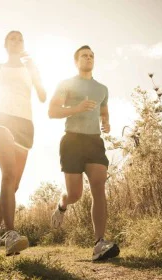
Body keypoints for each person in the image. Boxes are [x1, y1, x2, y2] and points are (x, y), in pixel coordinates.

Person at [48, 45, 120, 261]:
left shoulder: (102, 89)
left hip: (94, 141)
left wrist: (106, 123)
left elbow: (104, 112)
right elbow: (52, 111)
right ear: (76, 61)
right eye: (84, 56)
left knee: (99, 186)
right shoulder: (66, 84)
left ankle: (99, 243)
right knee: (75, 195)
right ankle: (62, 204)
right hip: (72, 141)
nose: (88, 58)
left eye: (91, 56)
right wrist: (76, 109)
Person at [0, 30, 46, 256]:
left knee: (14, 184)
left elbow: (41, 96)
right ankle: (10, 234)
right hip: (0, 119)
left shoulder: (30, 69)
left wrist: (35, 72)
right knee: (8, 175)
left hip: (24, 125)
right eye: (12, 37)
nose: (17, 41)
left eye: (20, 38)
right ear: (5, 44)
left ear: (24, 44)